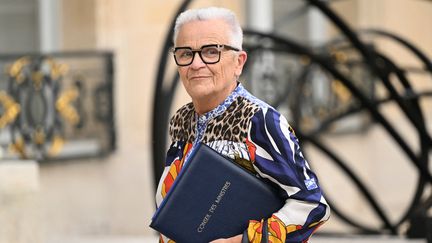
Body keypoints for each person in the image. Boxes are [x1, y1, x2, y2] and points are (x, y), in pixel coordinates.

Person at [155, 6, 330, 243]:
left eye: (210, 51)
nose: (196, 64)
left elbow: (312, 206)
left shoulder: (260, 121)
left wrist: (239, 241)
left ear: (239, 62)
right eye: (186, 53)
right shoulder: (181, 120)